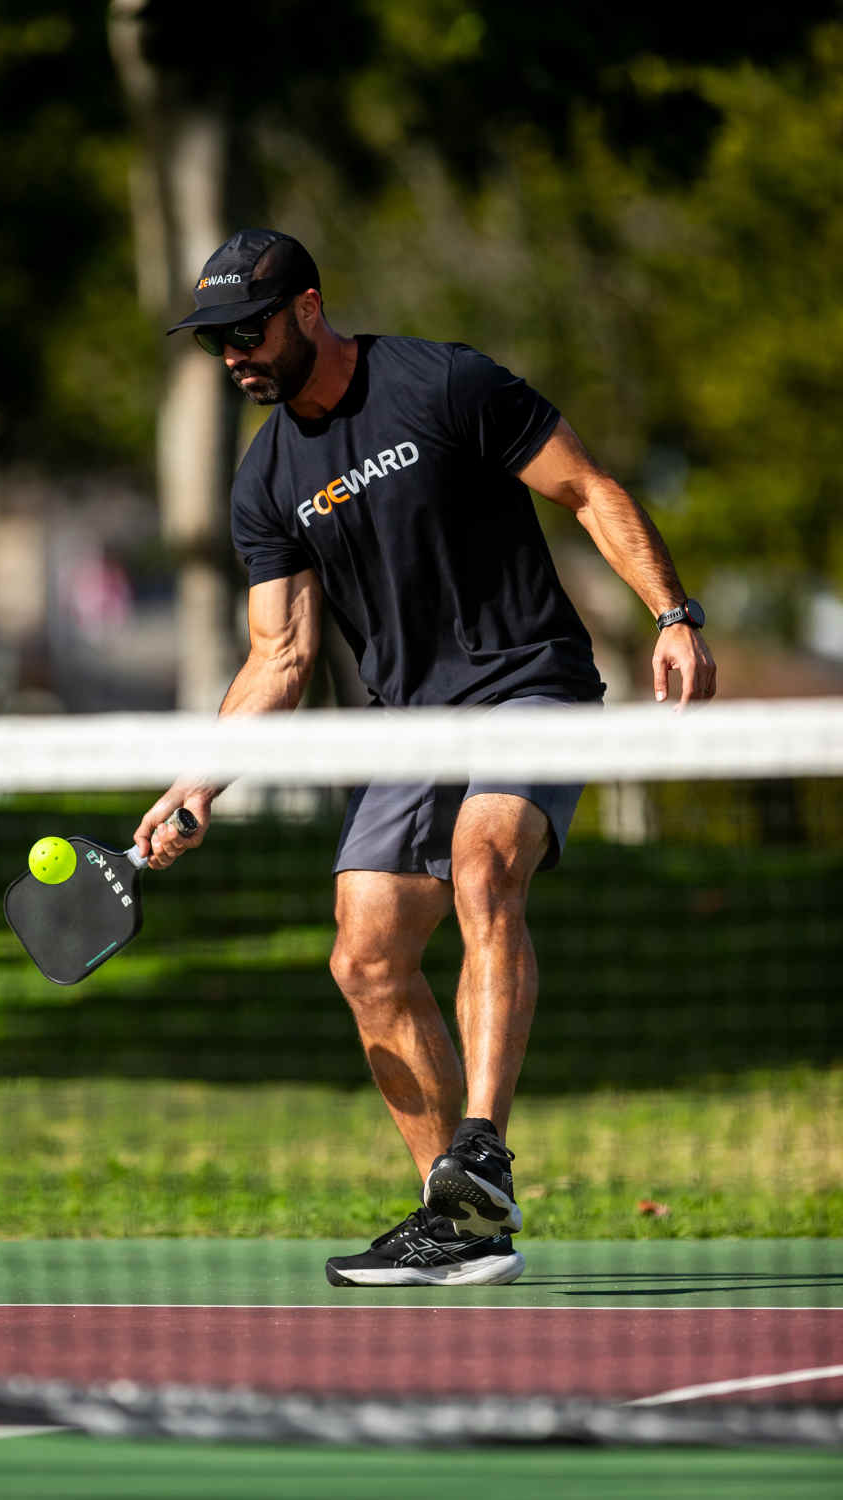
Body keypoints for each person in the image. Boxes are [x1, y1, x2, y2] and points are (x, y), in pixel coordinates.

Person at [134, 229, 716, 1288]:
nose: (234, 357)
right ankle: (455, 1221)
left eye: (247, 331)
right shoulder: (267, 476)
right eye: (216, 341)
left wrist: (671, 613)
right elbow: (282, 654)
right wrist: (195, 781)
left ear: (306, 307)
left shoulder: (443, 382)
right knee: (364, 955)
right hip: (408, 720)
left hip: (528, 682)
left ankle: (481, 1146)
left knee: (485, 864)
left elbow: (583, 488)